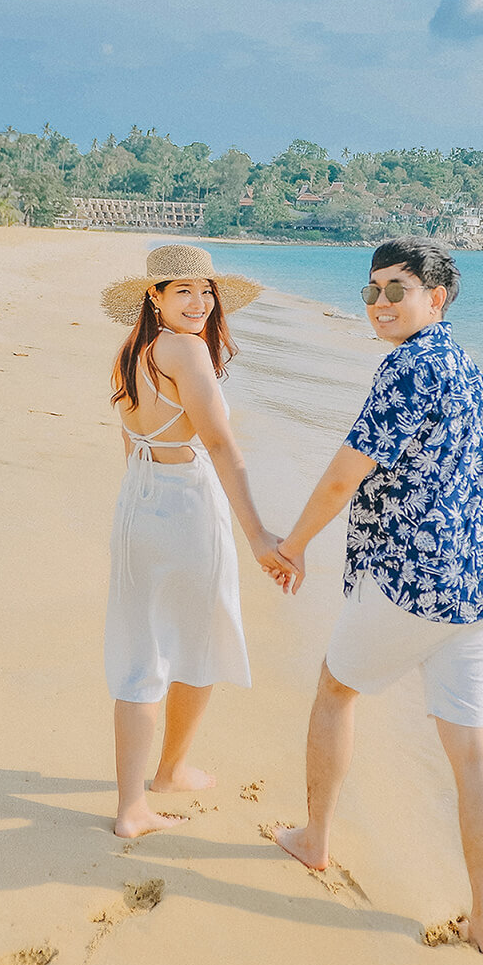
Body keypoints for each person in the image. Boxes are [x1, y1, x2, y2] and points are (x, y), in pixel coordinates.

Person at [271, 239, 483, 960]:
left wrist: (293, 544)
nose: (379, 303)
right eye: (372, 289)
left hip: (410, 578)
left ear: (435, 297)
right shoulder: (462, 361)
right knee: (472, 753)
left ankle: (315, 838)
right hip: (476, 584)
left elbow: (347, 475)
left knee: (335, 691)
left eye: (397, 289)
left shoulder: (407, 367)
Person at [102, 244, 293, 840]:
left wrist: (142, 502)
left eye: (205, 290)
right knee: (198, 639)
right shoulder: (186, 351)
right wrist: (259, 533)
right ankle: (163, 777)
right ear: (154, 296)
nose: (200, 301)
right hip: (184, 503)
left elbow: (130, 436)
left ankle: (145, 791)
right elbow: (221, 444)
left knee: (142, 646)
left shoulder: (135, 350)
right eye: (181, 290)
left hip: (138, 501)